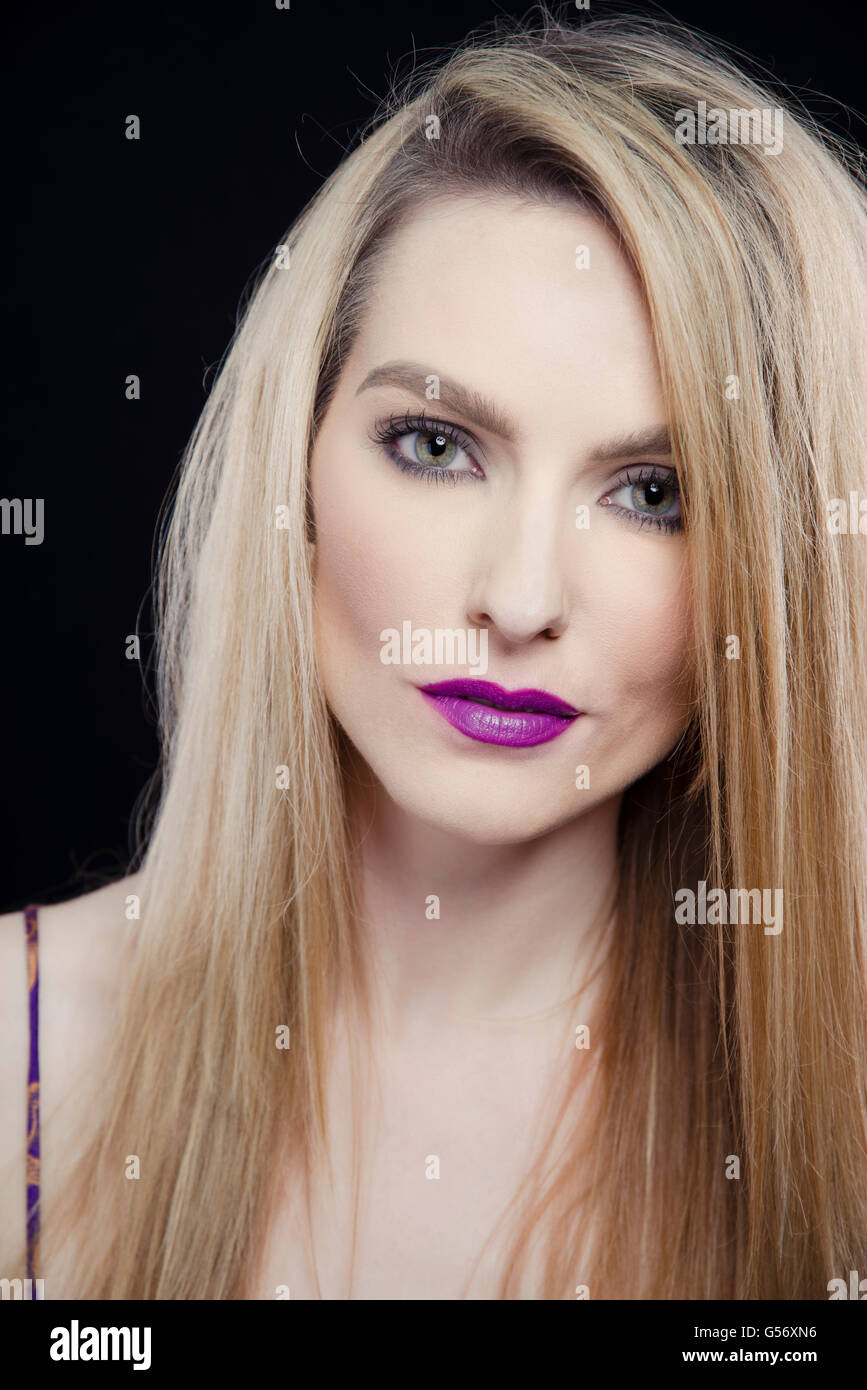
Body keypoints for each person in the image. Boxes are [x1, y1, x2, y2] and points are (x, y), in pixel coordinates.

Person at [2, 8, 866, 1300]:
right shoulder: (20, 1050)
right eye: (436, 445)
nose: (518, 599)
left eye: (655, 493)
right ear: (293, 466)